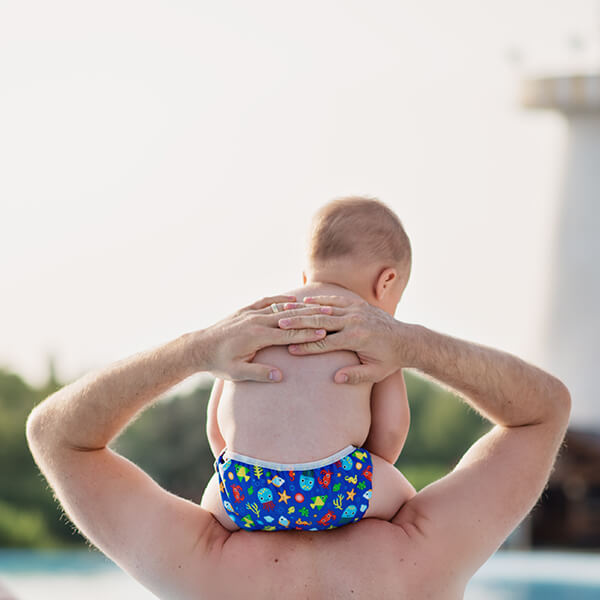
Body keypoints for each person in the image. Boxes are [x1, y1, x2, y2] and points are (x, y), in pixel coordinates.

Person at [26, 293, 571, 599]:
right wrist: (407, 344)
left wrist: (196, 352)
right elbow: (542, 411)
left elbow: (56, 435)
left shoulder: (203, 566)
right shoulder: (418, 557)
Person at [202, 196, 415, 532]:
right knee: (408, 502)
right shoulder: (372, 328)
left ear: (306, 276)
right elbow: (389, 434)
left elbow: (216, 429)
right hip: (334, 489)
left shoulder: (257, 318)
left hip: (244, 490)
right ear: (386, 281)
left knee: (211, 503)